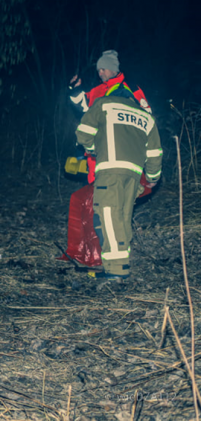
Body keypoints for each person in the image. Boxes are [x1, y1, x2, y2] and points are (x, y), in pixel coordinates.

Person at [65, 50, 154, 267]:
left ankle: (115, 265)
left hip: (121, 160)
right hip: (99, 162)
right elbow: (83, 109)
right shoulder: (96, 91)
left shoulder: (131, 91)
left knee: (112, 213)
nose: (100, 73)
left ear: (108, 69)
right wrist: (75, 90)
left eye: (101, 69)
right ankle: (101, 258)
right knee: (100, 210)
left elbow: (146, 119)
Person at [75, 83, 162, 280]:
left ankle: (115, 271)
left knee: (108, 216)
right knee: (122, 218)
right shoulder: (146, 117)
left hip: (110, 170)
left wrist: (92, 148)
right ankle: (121, 263)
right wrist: (152, 178)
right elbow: (154, 153)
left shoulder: (104, 104)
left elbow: (83, 133)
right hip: (133, 175)